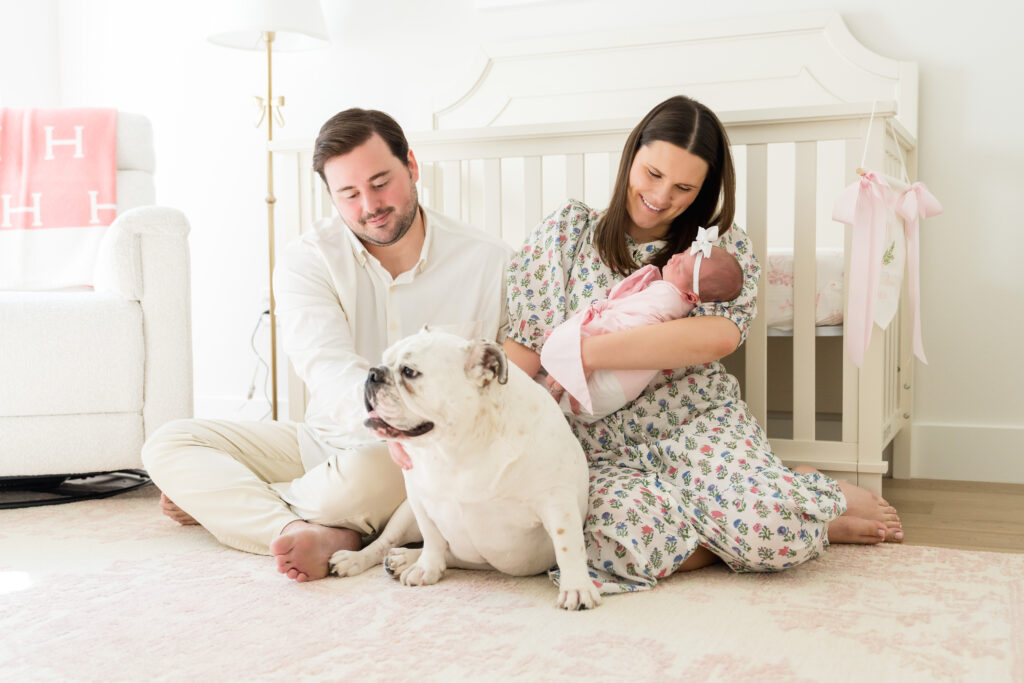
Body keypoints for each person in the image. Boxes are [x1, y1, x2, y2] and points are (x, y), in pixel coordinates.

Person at [502, 95, 903, 595]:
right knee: (591, 545)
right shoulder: (566, 231)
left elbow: (712, 338)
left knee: (772, 536)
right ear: (631, 158)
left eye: (684, 187)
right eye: (651, 174)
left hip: (694, 423)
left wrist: (584, 353)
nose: (661, 196)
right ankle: (765, 511)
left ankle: (797, 498)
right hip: (594, 446)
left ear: (704, 189)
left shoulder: (714, 250)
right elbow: (523, 346)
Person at [142, 108, 512, 582]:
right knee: (168, 444)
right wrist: (384, 425)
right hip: (320, 439)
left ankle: (250, 502)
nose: (369, 205)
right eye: (349, 194)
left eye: (381, 183)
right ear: (332, 196)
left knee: (366, 478)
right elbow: (327, 368)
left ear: (412, 167)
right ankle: (312, 529)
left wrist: (401, 435)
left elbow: (508, 386)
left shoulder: (490, 261)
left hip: (424, 454)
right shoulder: (306, 259)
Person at [541, 235, 742, 423]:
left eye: (680, 266)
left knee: (547, 391)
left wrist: (586, 332)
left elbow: (625, 325)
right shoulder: (672, 301)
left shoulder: (666, 298)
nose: (673, 257)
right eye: (681, 253)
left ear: (691, 297)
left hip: (610, 379)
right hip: (620, 388)